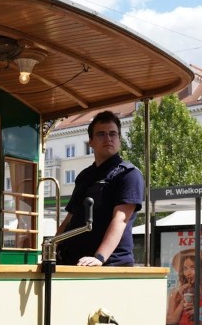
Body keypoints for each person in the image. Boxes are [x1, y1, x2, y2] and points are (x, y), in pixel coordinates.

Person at [56, 110, 143, 266]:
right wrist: (52, 248)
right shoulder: (84, 176)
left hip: (109, 265)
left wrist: (99, 258)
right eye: (101, 134)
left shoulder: (129, 174)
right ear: (91, 142)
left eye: (113, 134)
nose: (108, 138)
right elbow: (69, 219)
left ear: (120, 140)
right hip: (74, 262)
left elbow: (121, 219)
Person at [166, 248, 202, 325]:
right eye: (185, 269)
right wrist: (182, 299)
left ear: (201, 271)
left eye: (193, 268)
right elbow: (170, 322)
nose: (188, 273)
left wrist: (199, 313)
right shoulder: (175, 295)